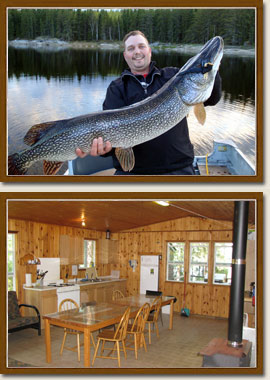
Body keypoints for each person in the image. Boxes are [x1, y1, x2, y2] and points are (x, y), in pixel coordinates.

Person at [76, 30, 222, 175]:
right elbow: (108, 138)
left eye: (141, 46)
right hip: (133, 173)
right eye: (131, 48)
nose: (137, 52)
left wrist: (212, 72)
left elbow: (212, 98)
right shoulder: (117, 88)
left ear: (149, 51)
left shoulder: (172, 76)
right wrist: (104, 150)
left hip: (178, 168)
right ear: (125, 55)